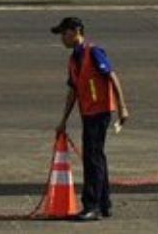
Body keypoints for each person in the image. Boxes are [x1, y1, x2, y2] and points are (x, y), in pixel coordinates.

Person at [52, 17, 130, 221]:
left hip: (100, 111)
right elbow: (73, 91)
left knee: (92, 158)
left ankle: (92, 205)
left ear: (76, 31)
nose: (62, 38)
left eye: (64, 33)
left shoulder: (93, 52)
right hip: (87, 112)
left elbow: (111, 76)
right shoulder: (73, 60)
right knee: (97, 157)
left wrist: (122, 107)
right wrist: (63, 120)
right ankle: (104, 203)